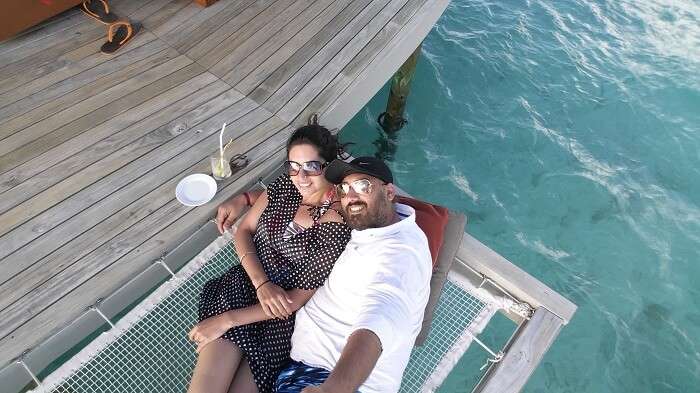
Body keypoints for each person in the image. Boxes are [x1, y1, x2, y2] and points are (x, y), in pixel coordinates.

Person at [187, 124, 352, 393]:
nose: (301, 177)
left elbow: (298, 298)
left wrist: (227, 320)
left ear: (329, 166)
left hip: (278, 318)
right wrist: (261, 283)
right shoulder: (286, 186)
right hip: (243, 286)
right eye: (294, 166)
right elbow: (244, 230)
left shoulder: (334, 222)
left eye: (312, 166)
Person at [275, 157, 432, 393]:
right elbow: (312, 203)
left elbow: (379, 321)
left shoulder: (401, 255)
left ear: (389, 192)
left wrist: (332, 390)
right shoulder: (377, 224)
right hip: (305, 369)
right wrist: (245, 199)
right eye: (345, 188)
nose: (351, 196)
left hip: (334, 379)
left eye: (363, 185)